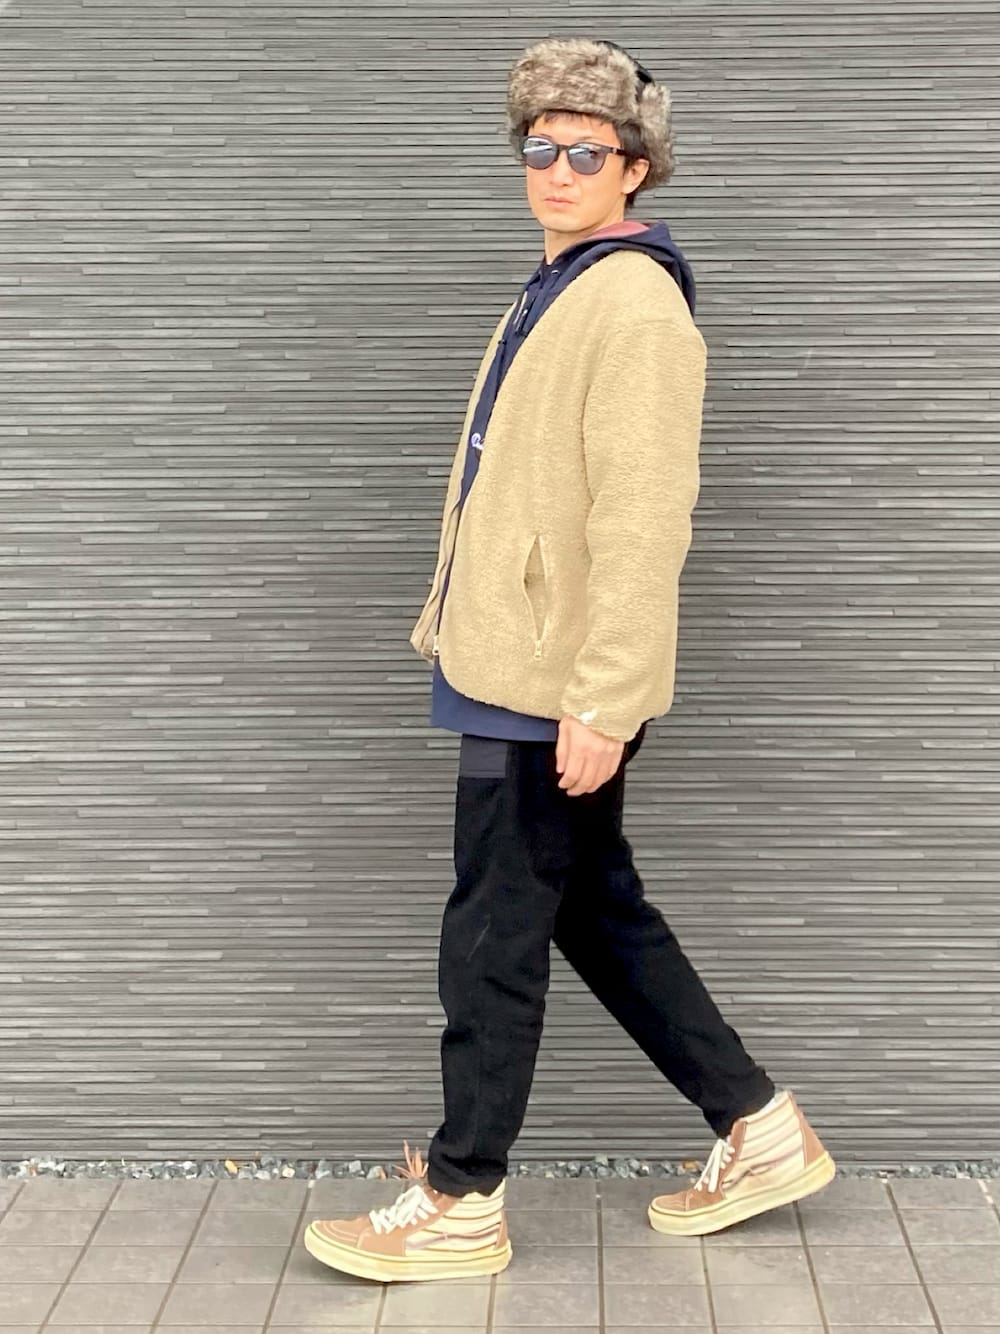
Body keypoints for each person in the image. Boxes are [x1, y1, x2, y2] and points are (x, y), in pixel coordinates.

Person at [304, 34, 835, 1285]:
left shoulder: (633, 302)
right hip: (511, 656)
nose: (554, 170)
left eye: (585, 153)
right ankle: (758, 1126)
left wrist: (604, 698)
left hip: (549, 681)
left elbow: (644, 520)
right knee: (591, 907)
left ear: (636, 167)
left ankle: (460, 1193)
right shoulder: (561, 281)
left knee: (492, 930)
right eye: (536, 147)